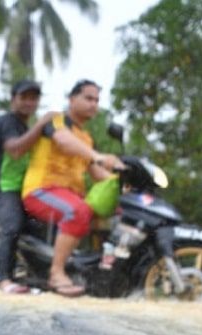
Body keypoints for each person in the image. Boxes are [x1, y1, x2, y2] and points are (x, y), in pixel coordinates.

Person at [21, 79, 123, 297]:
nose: (93, 104)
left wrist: (124, 183)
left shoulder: (86, 138)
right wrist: (98, 156)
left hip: (70, 195)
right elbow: (65, 141)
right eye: (88, 98)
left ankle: (100, 272)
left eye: (97, 100)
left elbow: (98, 174)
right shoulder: (56, 121)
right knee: (77, 211)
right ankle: (56, 273)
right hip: (42, 191)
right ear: (72, 99)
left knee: (121, 211)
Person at [0, 79, 57, 294]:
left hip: (26, 191)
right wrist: (41, 124)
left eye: (33, 98)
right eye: (24, 97)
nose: (29, 102)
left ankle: (42, 278)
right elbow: (15, 150)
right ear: (13, 99)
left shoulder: (26, 127)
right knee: (13, 225)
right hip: (2, 190)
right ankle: (3, 278)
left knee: (45, 226)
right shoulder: (7, 122)